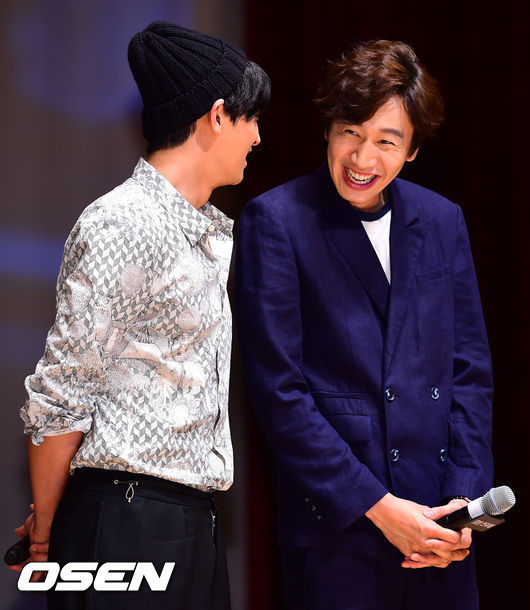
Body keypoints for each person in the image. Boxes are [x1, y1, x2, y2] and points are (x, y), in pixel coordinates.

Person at [10, 21, 270, 610]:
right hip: (130, 521)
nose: (258, 136)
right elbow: (61, 393)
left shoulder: (200, 229)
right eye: (251, 118)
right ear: (218, 116)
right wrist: (46, 529)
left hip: (191, 521)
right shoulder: (123, 224)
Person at [234, 40, 492, 610]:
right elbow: (280, 392)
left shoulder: (442, 219)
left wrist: (463, 505)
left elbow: (469, 373)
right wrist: (379, 507)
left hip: (439, 529)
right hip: (339, 529)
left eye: (386, 141)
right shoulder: (276, 220)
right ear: (327, 129)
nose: (362, 158)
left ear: (413, 149)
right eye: (350, 131)